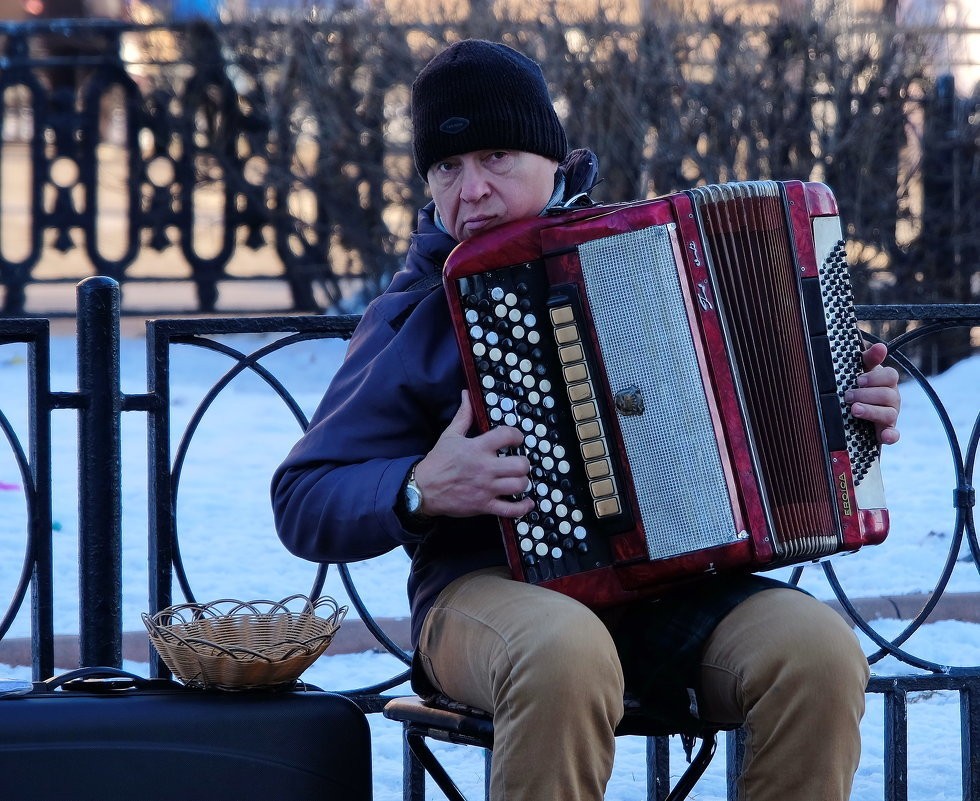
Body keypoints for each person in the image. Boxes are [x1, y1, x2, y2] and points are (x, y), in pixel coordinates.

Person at [272, 40, 902, 801]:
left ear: (553, 156)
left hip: (677, 595)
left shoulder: (647, 256)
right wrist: (418, 487)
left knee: (821, 654)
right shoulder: (413, 313)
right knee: (565, 649)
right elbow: (303, 496)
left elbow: (765, 403)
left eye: (496, 156)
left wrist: (846, 408)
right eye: (446, 167)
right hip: (484, 592)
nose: (471, 189)